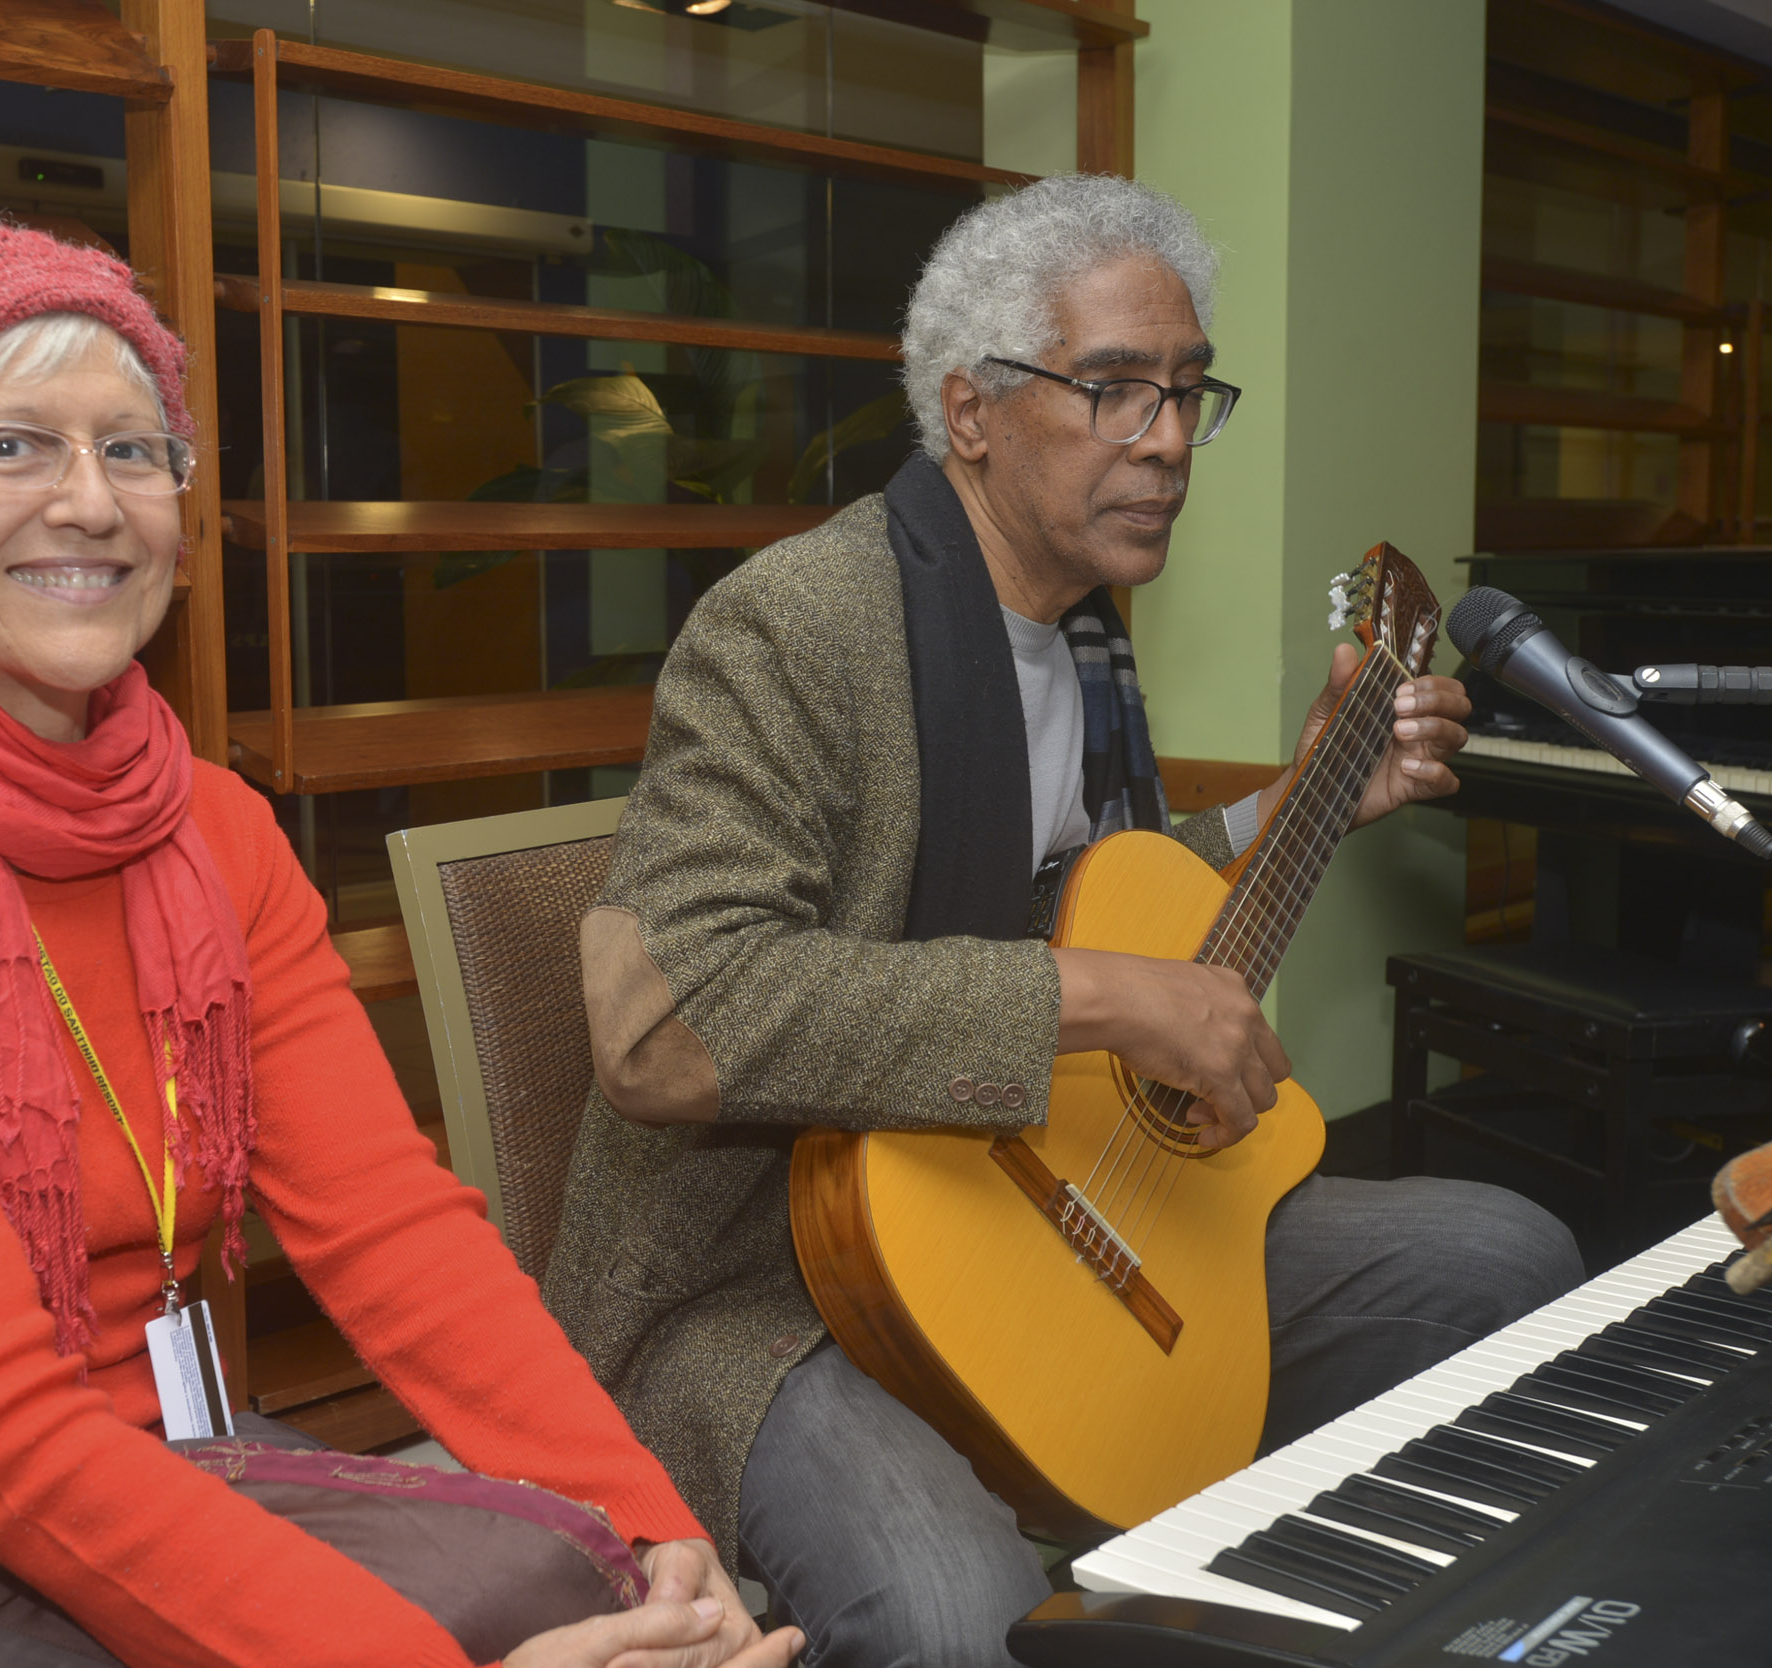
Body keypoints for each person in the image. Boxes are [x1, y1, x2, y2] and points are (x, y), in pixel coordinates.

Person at [0, 219, 801, 1668]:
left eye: (134, 452)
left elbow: (391, 1230)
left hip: (145, 1478)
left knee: (576, 1585)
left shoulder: (214, 827)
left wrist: (650, 1532)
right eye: (10, 447)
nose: (91, 502)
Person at [538, 175, 1586, 1666]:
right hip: (770, 1276)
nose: (1166, 439)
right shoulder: (799, 625)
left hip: (1024, 1193)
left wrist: (1301, 801)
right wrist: (1107, 1001)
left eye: (1185, 390)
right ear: (971, 413)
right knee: (963, 1617)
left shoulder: (1084, 634)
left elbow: (1084, 895)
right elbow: (668, 1022)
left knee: (1501, 1257)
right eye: (1112, 389)